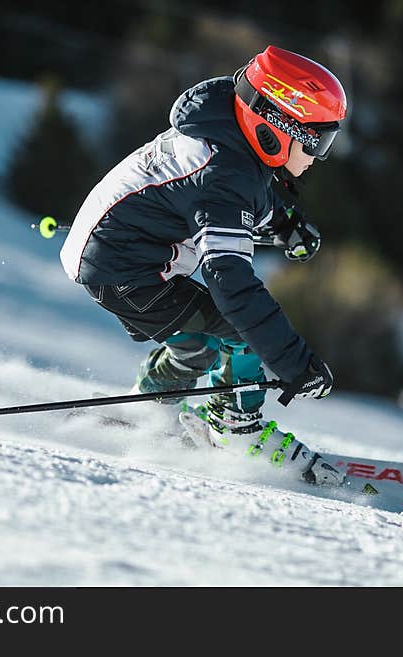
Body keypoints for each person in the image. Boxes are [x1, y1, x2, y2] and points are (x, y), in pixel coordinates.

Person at [60, 45, 346, 450]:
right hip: (122, 268)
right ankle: (235, 429)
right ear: (280, 128)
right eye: (318, 142)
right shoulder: (222, 175)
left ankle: (148, 411)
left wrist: (285, 224)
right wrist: (296, 364)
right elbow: (230, 284)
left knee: (198, 346)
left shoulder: (227, 137)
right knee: (239, 333)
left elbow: (243, 194)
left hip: (120, 255)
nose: (320, 157)